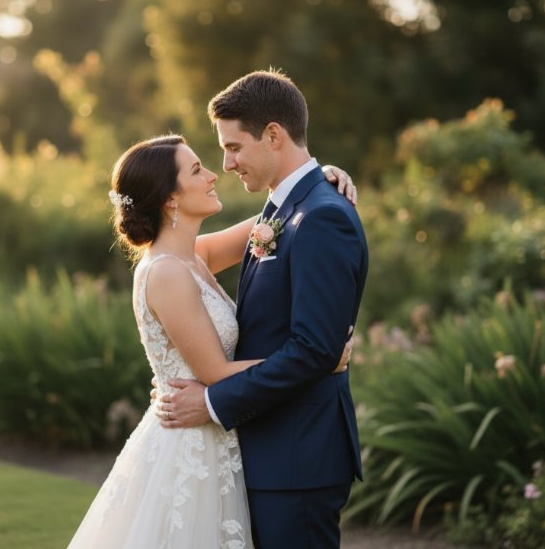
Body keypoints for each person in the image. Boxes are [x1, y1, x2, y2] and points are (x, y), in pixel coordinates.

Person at [66, 134, 357, 548]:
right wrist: (319, 358)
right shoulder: (166, 272)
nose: (213, 175)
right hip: (190, 444)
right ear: (170, 198)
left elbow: (282, 215)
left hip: (219, 433)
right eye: (197, 170)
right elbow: (215, 372)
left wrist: (315, 176)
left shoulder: (195, 256)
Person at [157, 70, 369, 549]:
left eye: (234, 147)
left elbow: (314, 350)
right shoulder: (283, 211)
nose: (226, 164)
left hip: (298, 459)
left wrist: (210, 402)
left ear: (273, 135)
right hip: (267, 453)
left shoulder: (322, 217)